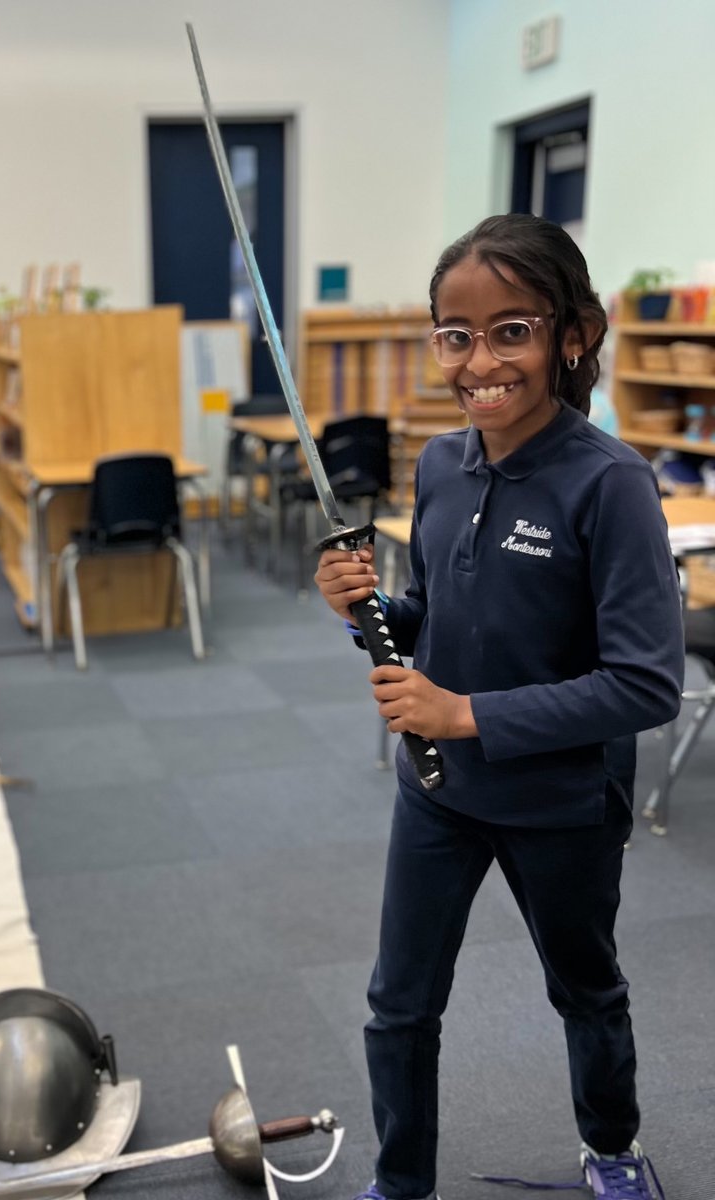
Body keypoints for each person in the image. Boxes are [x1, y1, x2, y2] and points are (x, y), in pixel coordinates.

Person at [314, 213, 683, 1200]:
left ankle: (611, 1150)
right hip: (438, 790)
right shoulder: (439, 466)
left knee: (586, 991)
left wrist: (466, 714)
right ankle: (400, 1185)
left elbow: (648, 683)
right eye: (455, 333)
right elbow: (430, 622)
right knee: (398, 1006)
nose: (479, 359)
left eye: (510, 329)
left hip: (561, 802)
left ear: (571, 336)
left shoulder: (613, 485)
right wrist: (366, 614)